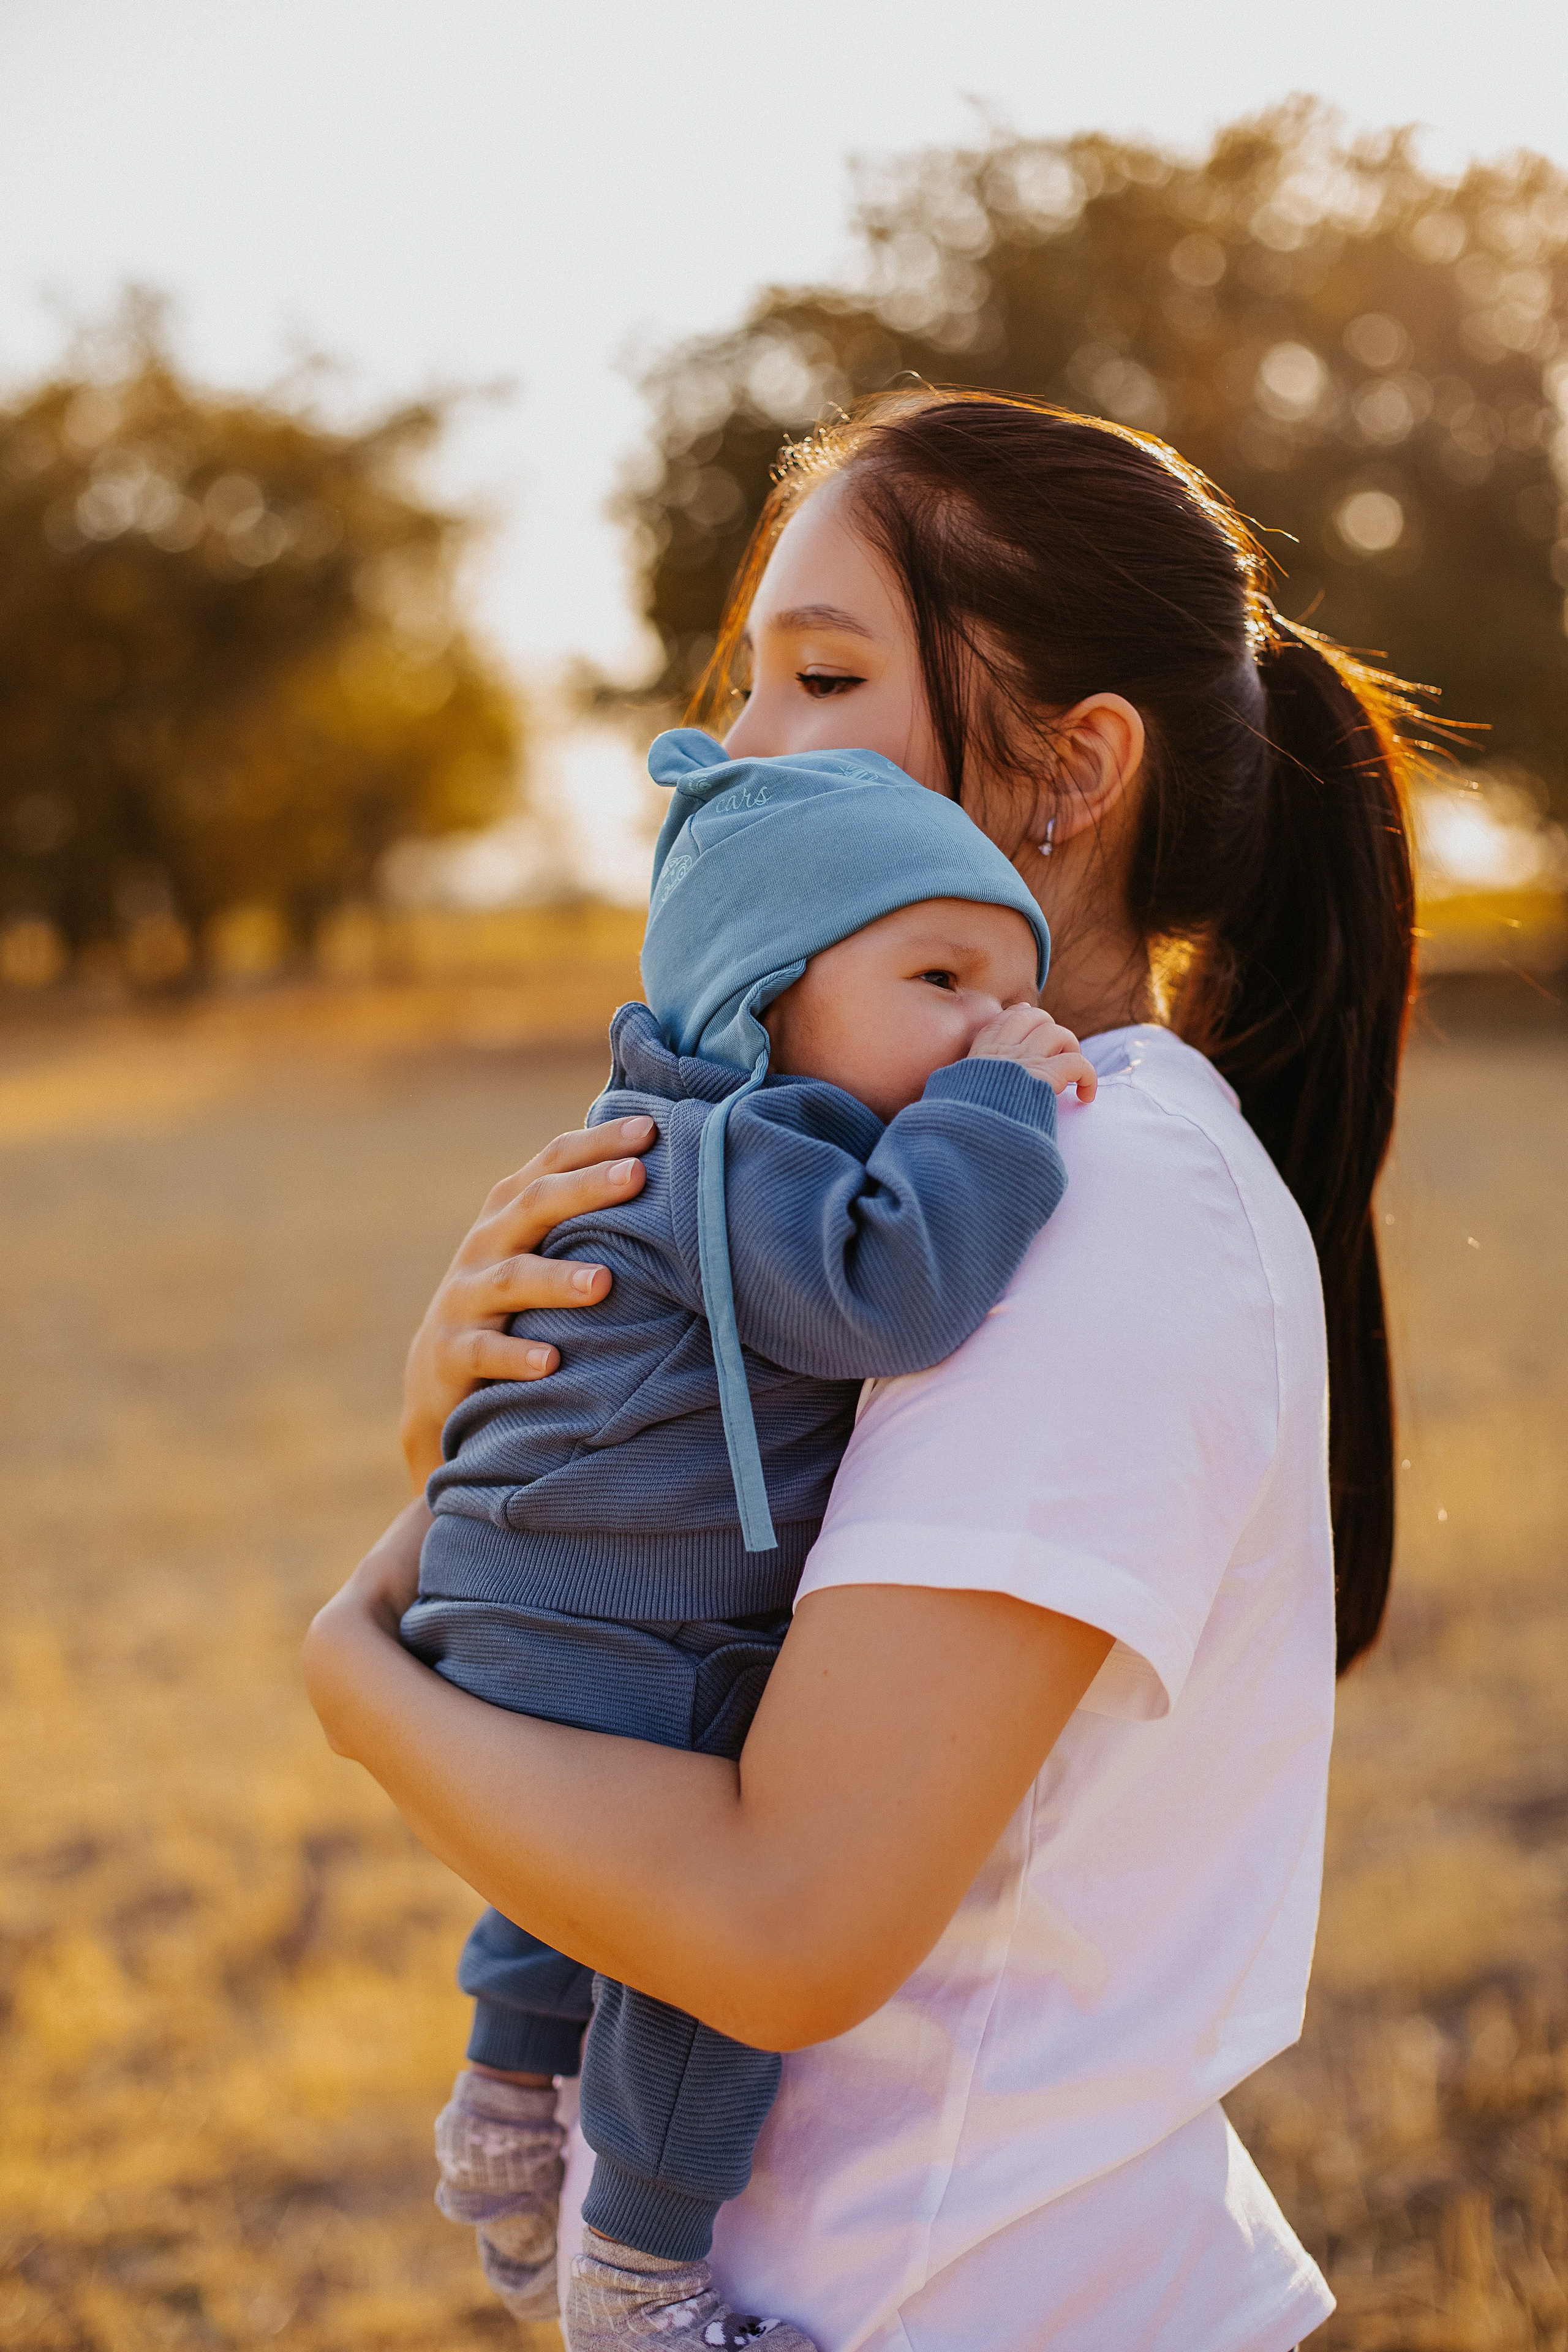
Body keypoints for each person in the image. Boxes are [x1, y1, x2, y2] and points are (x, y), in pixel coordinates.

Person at [304, 391, 1418, 2351]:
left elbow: (784, 1925)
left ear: (1069, 776)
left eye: (824, 675)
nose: (738, 753)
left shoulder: (1089, 1189)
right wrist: (478, 1445)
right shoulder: (911, 1153)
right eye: (746, 685)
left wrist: (356, 1667)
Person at [407, 724, 1093, 2350]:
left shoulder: (655, 1140)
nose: (984, 1021)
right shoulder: (753, 1149)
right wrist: (995, 1102)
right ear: (767, 999)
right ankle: (640, 2273)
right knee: (705, 1915)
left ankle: (505, 2096)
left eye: (1008, 989)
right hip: (620, 1614)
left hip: (528, 1595)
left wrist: (953, 1048)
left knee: (581, 1857)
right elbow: (896, 1294)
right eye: (940, 980)